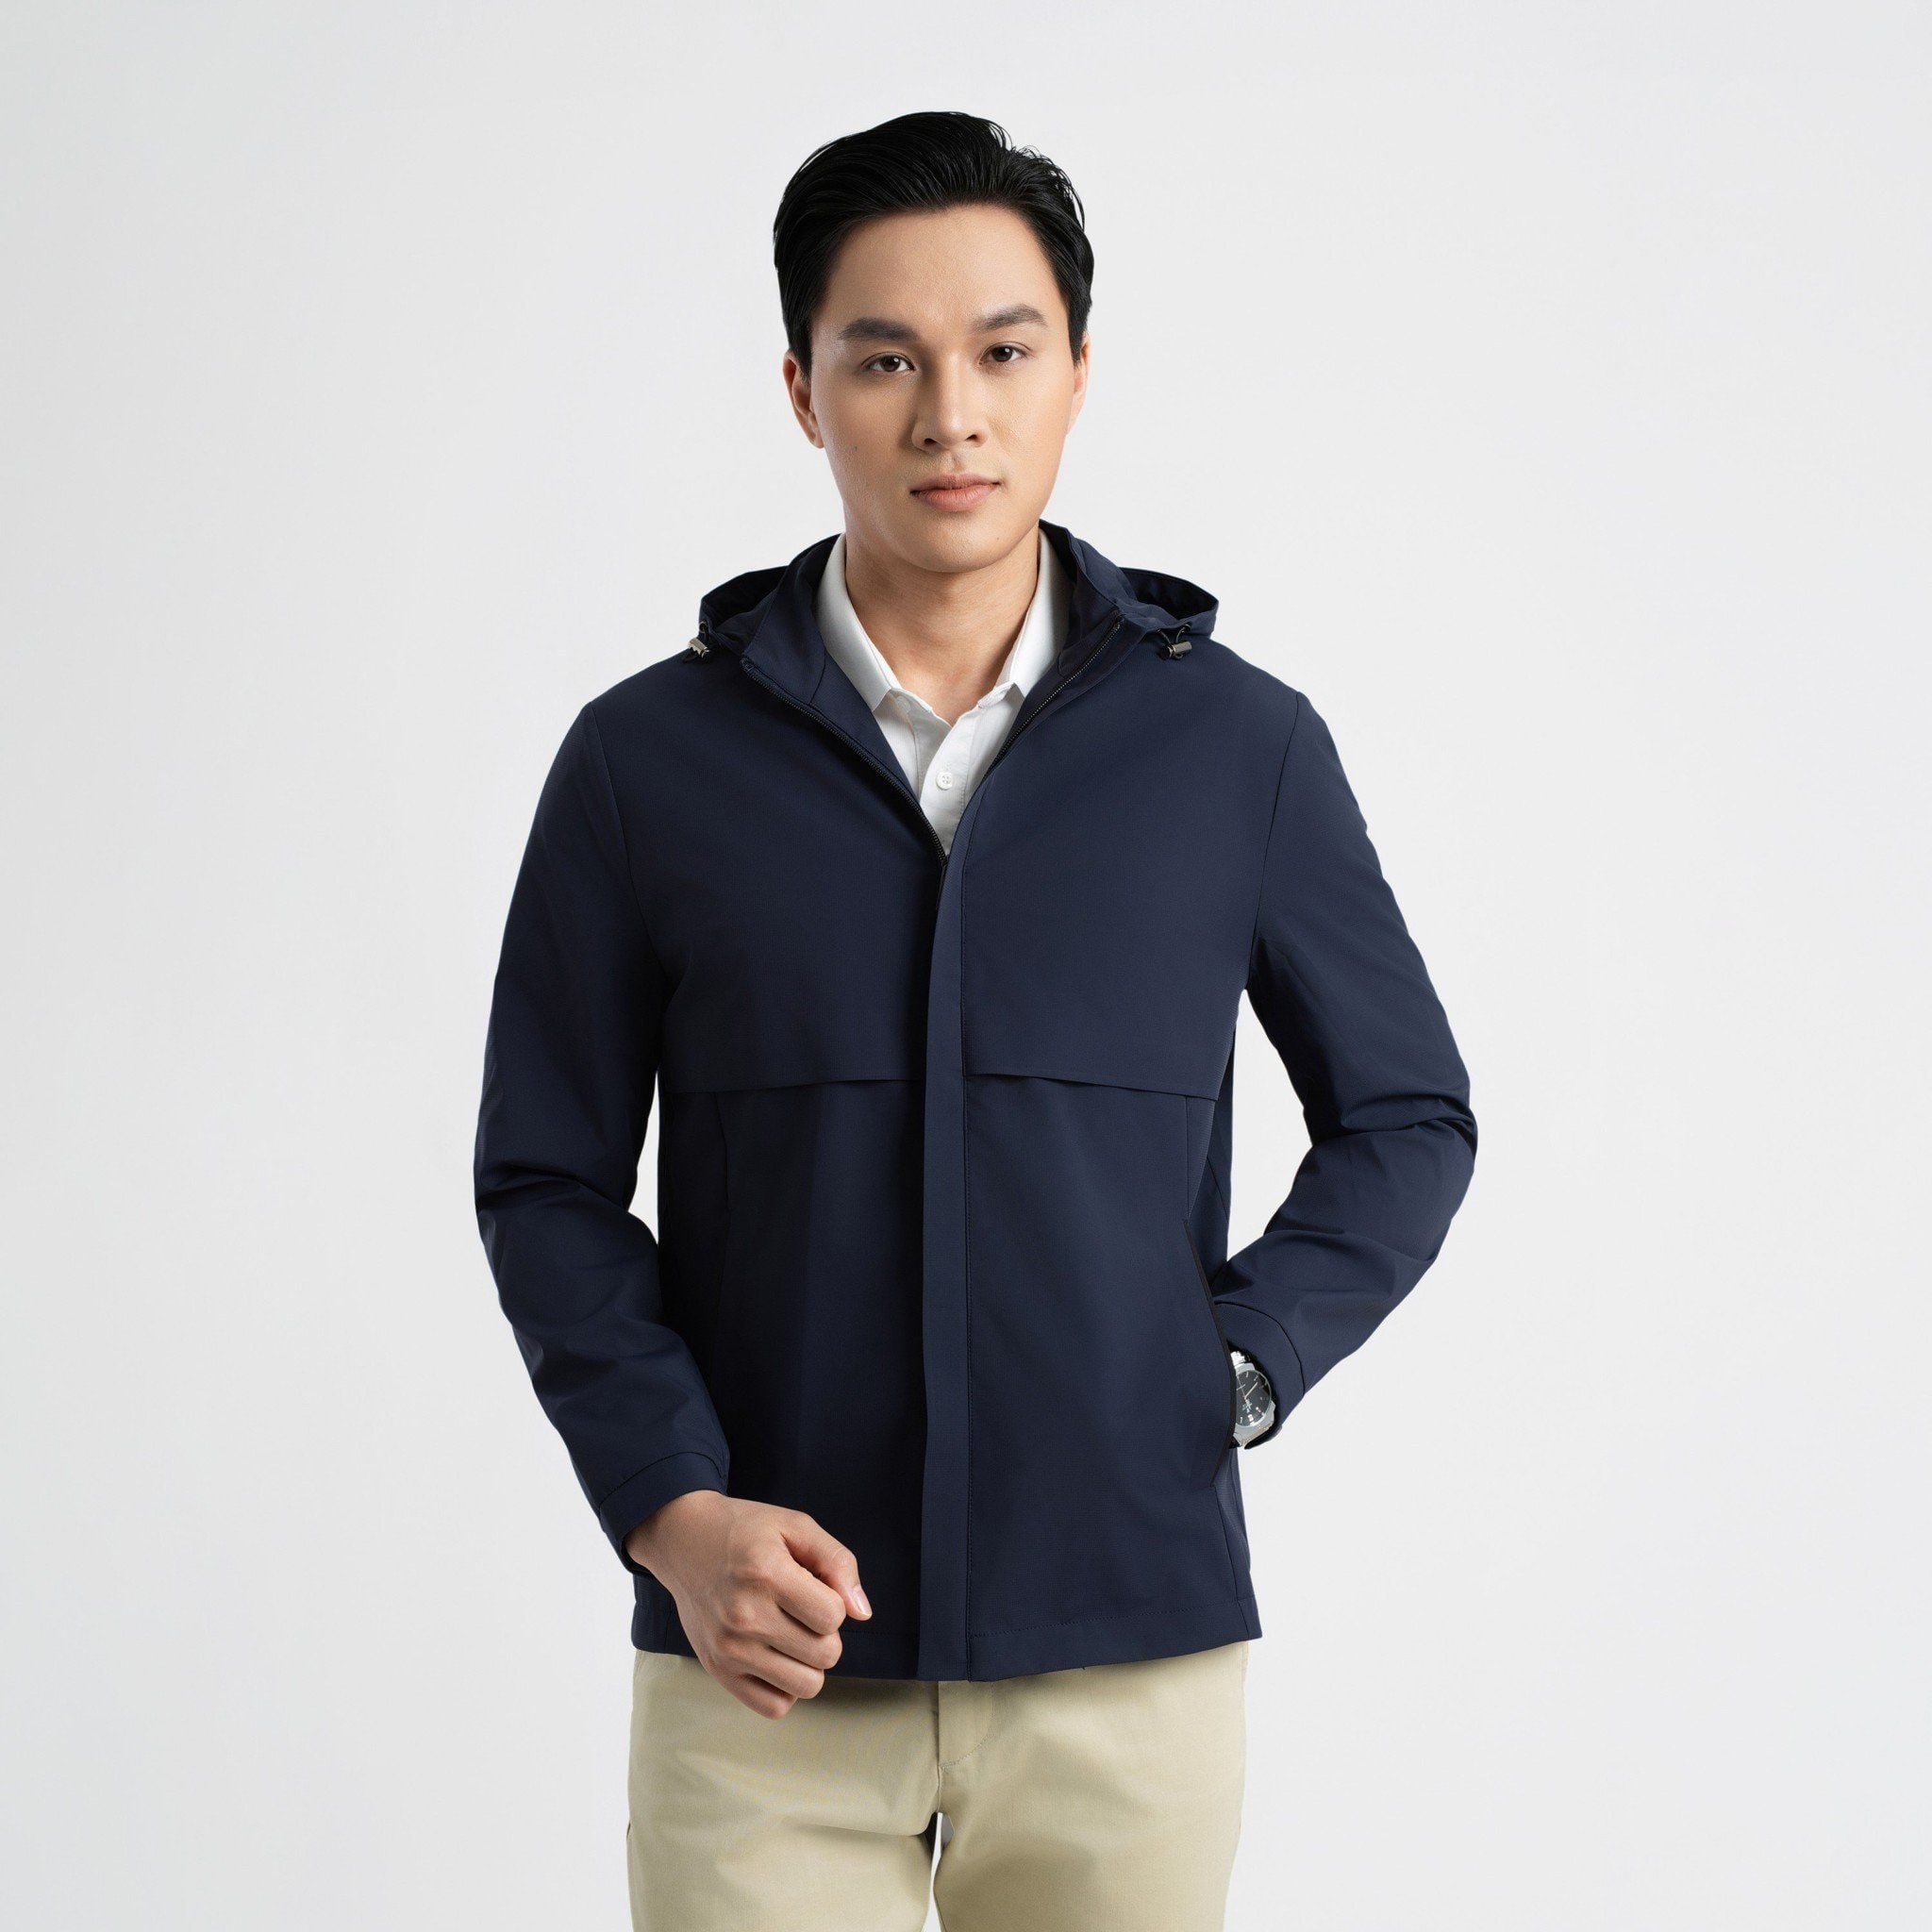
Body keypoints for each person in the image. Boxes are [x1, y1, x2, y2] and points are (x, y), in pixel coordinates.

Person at [474, 108, 1476, 1932]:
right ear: (803, 391)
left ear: (1077, 373)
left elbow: (1408, 1117)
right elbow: (545, 1181)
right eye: (887, 360)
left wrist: (1238, 1362)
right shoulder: (643, 763)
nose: (952, 415)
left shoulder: (1236, 748)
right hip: (760, 1674)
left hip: (1127, 1663)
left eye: (1004, 353)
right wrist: (673, 1511)